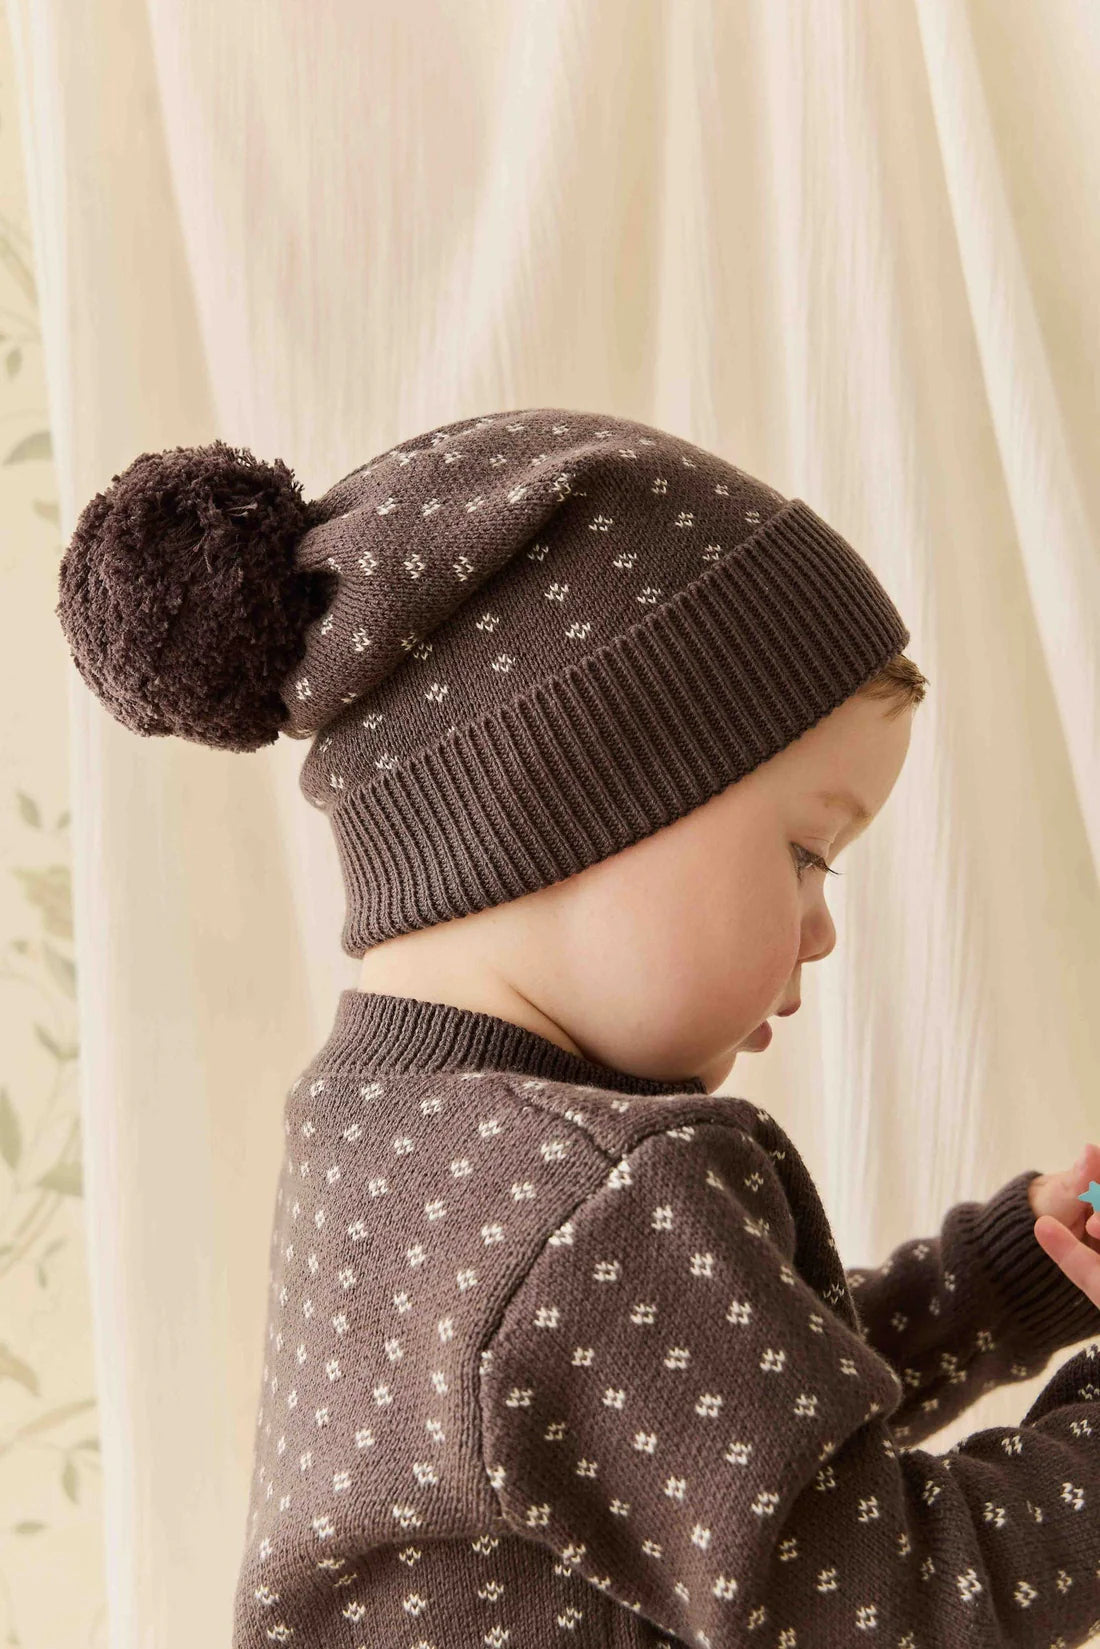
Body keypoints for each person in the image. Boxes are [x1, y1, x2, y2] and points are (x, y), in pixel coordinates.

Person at [57, 406, 1100, 1648]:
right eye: (806, 852)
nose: (821, 929)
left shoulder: (380, 1123)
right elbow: (902, 1598)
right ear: (577, 805)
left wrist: (997, 1282)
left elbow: (703, 1436)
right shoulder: (598, 1191)